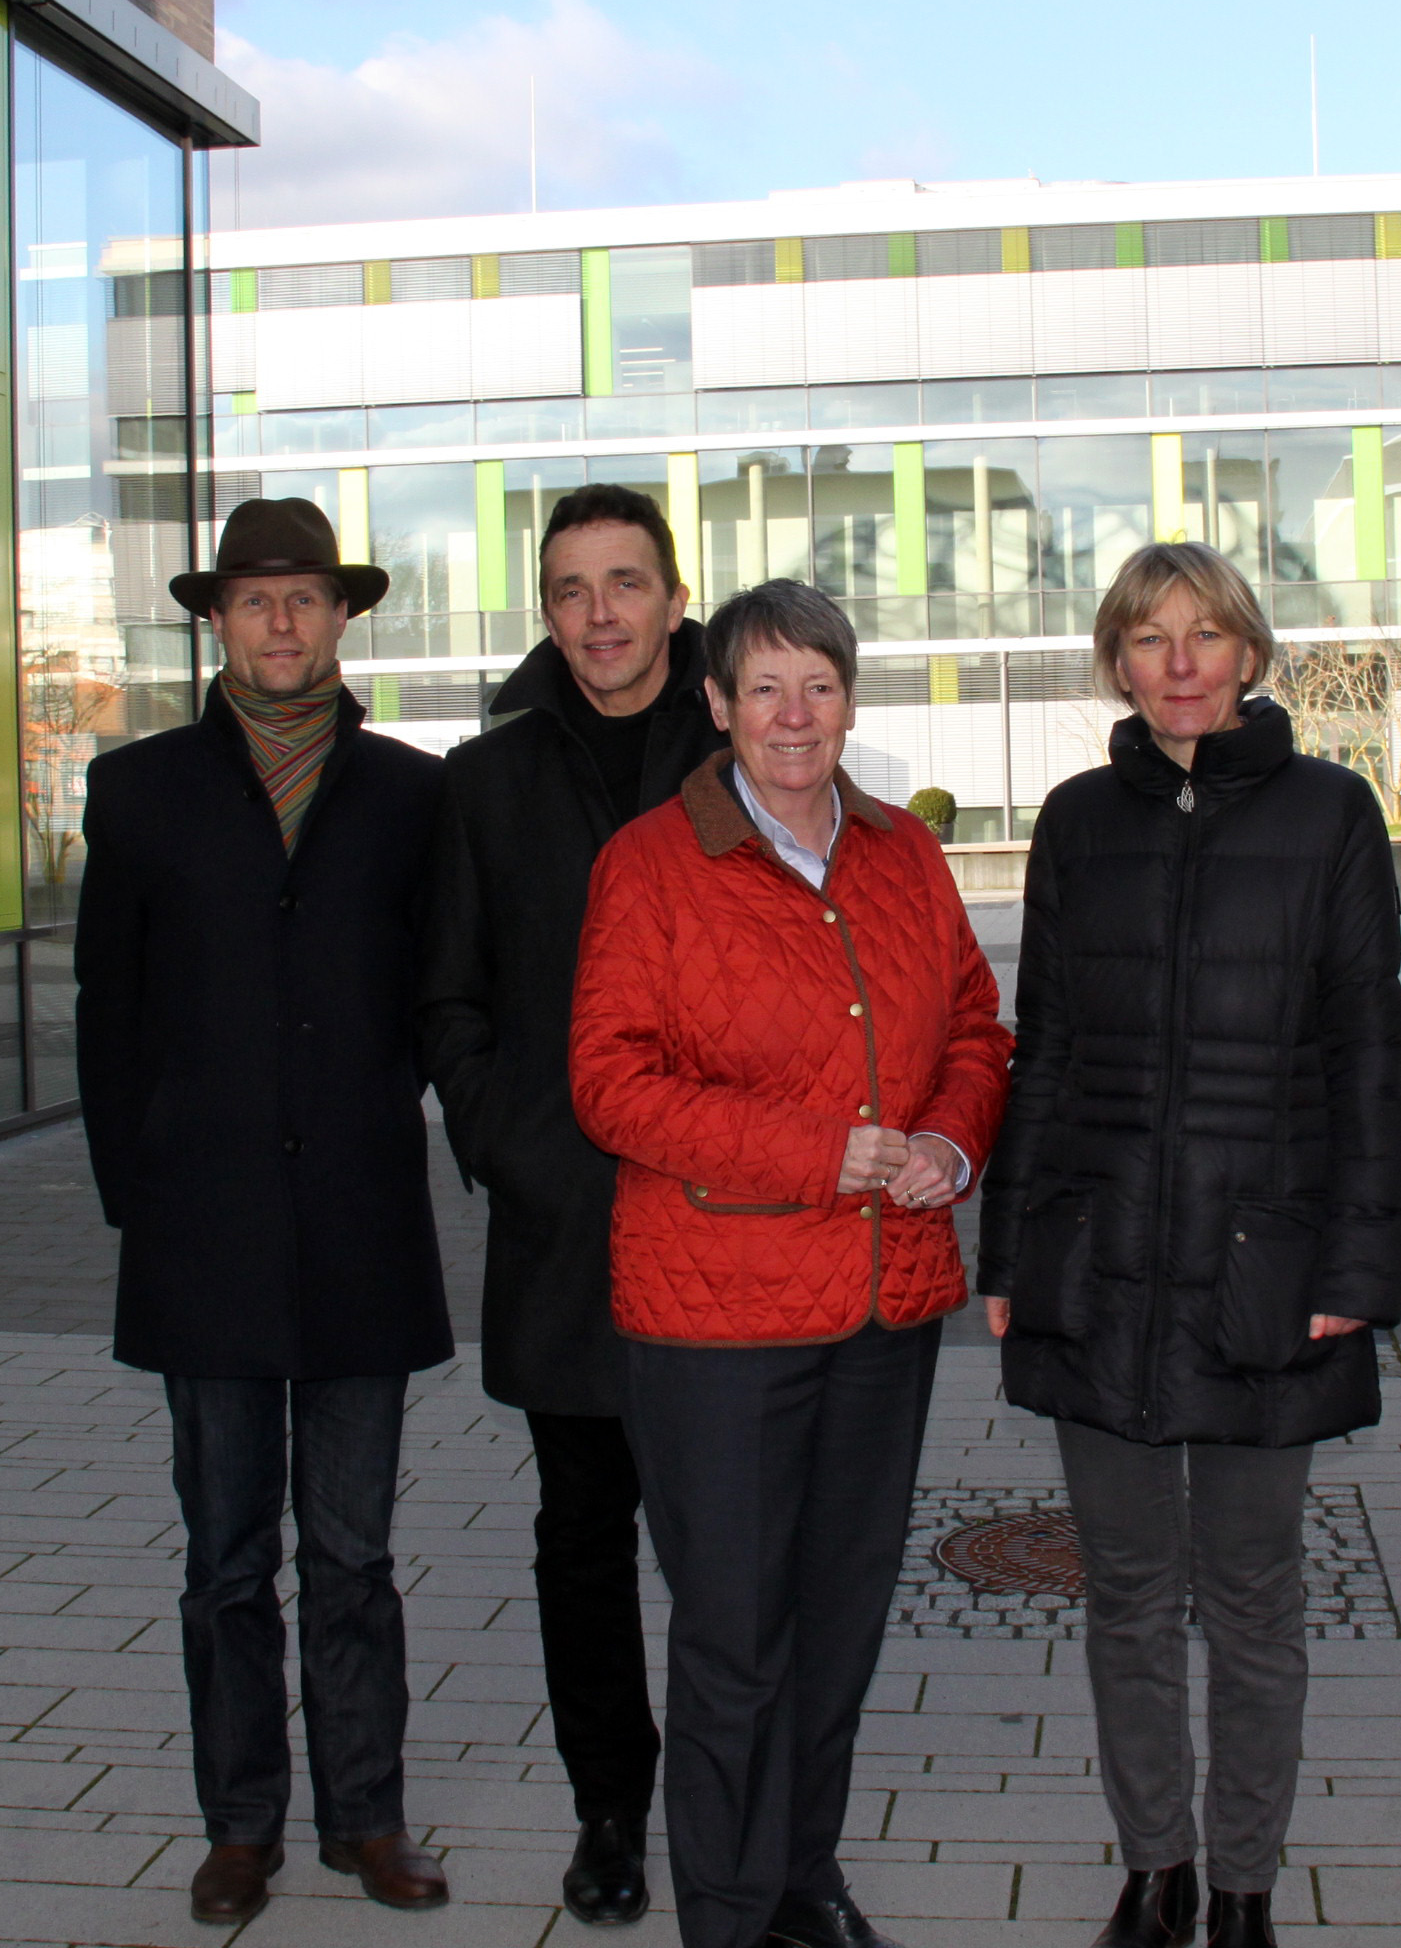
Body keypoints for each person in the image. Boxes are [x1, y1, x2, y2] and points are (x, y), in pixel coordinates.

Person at [978, 540, 1401, 1948]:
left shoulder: (1332, 813)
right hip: (1098, 1261)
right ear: (1117, 657)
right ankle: (1153, 1867)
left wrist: (1356, 1268)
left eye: (1206, 632)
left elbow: (1369, 1055)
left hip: (1262, 1270)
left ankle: (1241, 1887)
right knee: (1125, 1596)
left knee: (1252, 1597)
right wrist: (1008, 1259)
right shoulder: (1076, 821)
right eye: (1151, 635)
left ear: (1247, 653)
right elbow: (1036, 1057)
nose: (1179, 660)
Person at [569, 580, 1013, 1948]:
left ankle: (806, 1877)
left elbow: (979, 1033)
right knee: (734, 1638)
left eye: (816, 683)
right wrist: (827, 1152)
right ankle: (729, 1907)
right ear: (715, 705)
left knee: (839, 1623)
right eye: (762, 687)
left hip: (883, 1309)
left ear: (849, 698)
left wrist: (947, 1141)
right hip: (722, 1319)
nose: (792, 714)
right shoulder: (652, 863)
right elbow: (608, 1083)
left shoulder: (901, 857)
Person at [73, 496, 457, 1928]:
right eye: (254, 599)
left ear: (342, 616)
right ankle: (241, 1824)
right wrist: (141, 1185)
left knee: (352, 1553)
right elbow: (108, 1007)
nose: (281, 622)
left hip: (360, 1227)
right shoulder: (140, 790)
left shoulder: (419, 796)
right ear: (215, 620)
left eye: (305, 597)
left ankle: (368, 1816)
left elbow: (442, 996)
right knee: (226, 1558)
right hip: (204, 1234)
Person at [418, 483, 717, 1925]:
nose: (600, 614)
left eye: (625, 582)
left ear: (672, 595)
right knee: (583, 1535)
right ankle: (612, 1807)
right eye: (571, 589)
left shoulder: (741, 740)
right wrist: (511, 1143)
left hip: (731, 1222)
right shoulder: (488, 778)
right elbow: (451, 995)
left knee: (731, 1538)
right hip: (567, 1231)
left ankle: (741, 1805)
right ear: (548, 611)